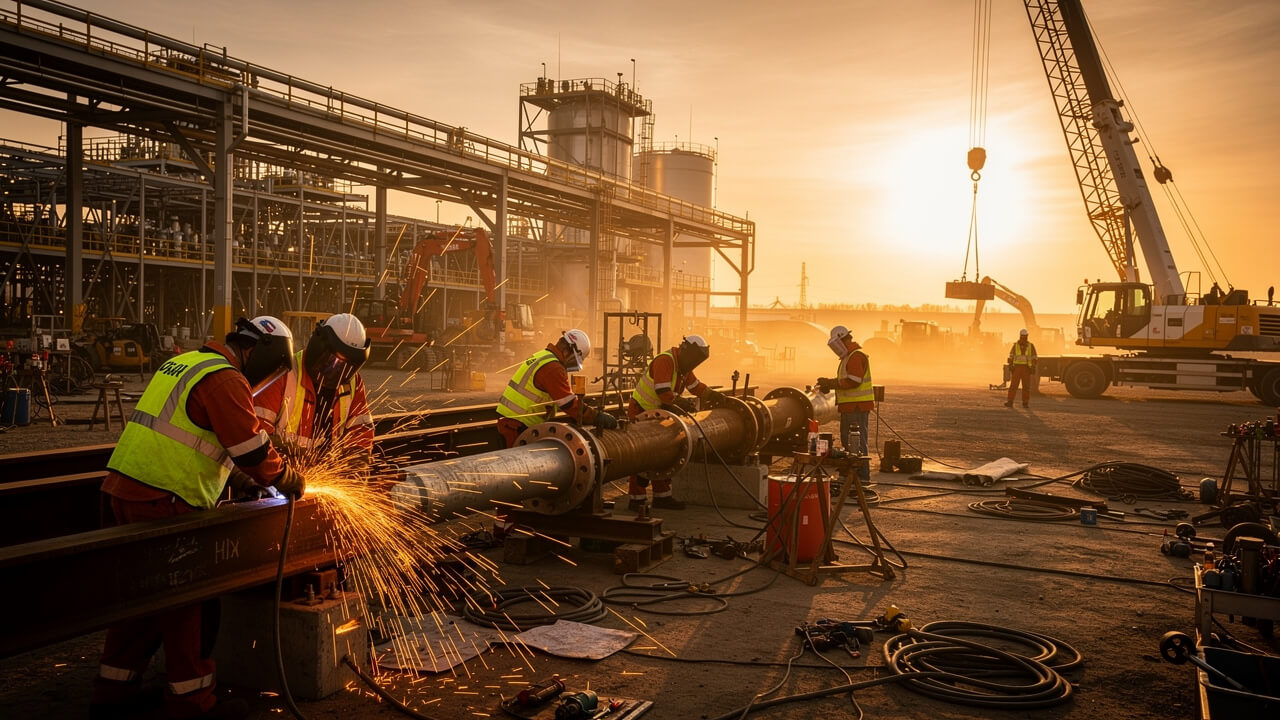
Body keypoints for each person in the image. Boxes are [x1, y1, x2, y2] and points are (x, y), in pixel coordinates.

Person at [91, 316, 306, 720]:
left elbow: (196, 435)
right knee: (189, 604)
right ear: (259, 353)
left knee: (143, 598)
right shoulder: (227, 379)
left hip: (126, 489)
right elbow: (252, 449)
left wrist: (239, 481)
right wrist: (286, 478)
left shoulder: (188, 363)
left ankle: (112, 693)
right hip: (166, 499)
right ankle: (193, 704)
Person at [255, 313, 374, 467]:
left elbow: (360, 428)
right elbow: (256, 431)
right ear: (318, 345)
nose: (335, 371)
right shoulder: (285, 372)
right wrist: (287, 451)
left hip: (326, 476)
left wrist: (358, 460)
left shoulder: (353, 382)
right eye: (332, 361)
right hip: (278, 473)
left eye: (346, 366)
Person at [627, 335, 724, 510]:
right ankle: (637, 499)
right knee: (640, 456)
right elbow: (663, 391)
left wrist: (713, 395)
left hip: (659, 413)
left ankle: (662, 497)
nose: (695, 363)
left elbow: (695, 386)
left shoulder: (683, 366)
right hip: (641, 411)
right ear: (686, 350)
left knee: (665, 453)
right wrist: (681, 402)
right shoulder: (666, 360)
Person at [495, 329, 618, 448]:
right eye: (574, 360)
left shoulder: (543, 356)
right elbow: (569, 405)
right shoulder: (554, 368)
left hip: (512, 420)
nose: (572, 365)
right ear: (567, 351)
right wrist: (596, 417)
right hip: (516, 425)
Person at [816, 326, 874, 485]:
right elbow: (848, 380)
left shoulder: (855, 356)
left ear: (842, 340)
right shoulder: (849, 356)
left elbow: (854, 381)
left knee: (857, 443)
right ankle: (849, 475)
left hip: (856, 407)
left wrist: (832, 383)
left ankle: (861, 477)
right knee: (848, 441)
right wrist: (831, 383)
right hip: (851, 407)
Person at [1005, 328, 1038, 409]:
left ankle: (1024, 403)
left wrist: (1033, 366)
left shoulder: (1030, 346)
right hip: (1017, 368)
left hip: (1026, 368)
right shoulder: (1016, 345)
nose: (1024, 338)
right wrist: (1011, 365)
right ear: (1021, 336)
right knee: (1014, 386)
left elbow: (1034, 357)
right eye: (1023, 336)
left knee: (1025, 387)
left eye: (1025, 336)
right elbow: (1011, 356)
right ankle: (1011, 401)